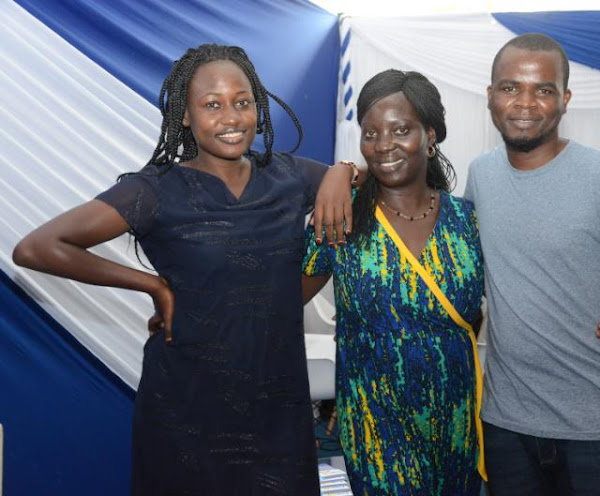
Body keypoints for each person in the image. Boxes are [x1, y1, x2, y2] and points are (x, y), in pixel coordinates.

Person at [13, 44, 352, 495]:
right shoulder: (156, 191)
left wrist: (342, 171)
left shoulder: (291, 177)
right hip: (186, 410)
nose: (231, 117)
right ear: (186, 115)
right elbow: (37, 247)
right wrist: (151, 284)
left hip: (277, 409)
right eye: (212, 105)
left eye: (242, 102)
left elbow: (365, 183)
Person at [465, 34, 600, 495]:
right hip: (504, 426)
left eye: (543, 89)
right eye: (510, 87)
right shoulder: (480, 175)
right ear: (490, 96)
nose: (525, 102)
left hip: (595, 431)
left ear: (565, 99)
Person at [302, 70, 485, 495]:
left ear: (431, 135)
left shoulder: (468, 221)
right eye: (371, 133)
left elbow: (478, 313)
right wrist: (202, 309)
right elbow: (279, 301)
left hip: (455, 426)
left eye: (401, 130)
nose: (384, 145)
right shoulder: (339, 216)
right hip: (375, 427)